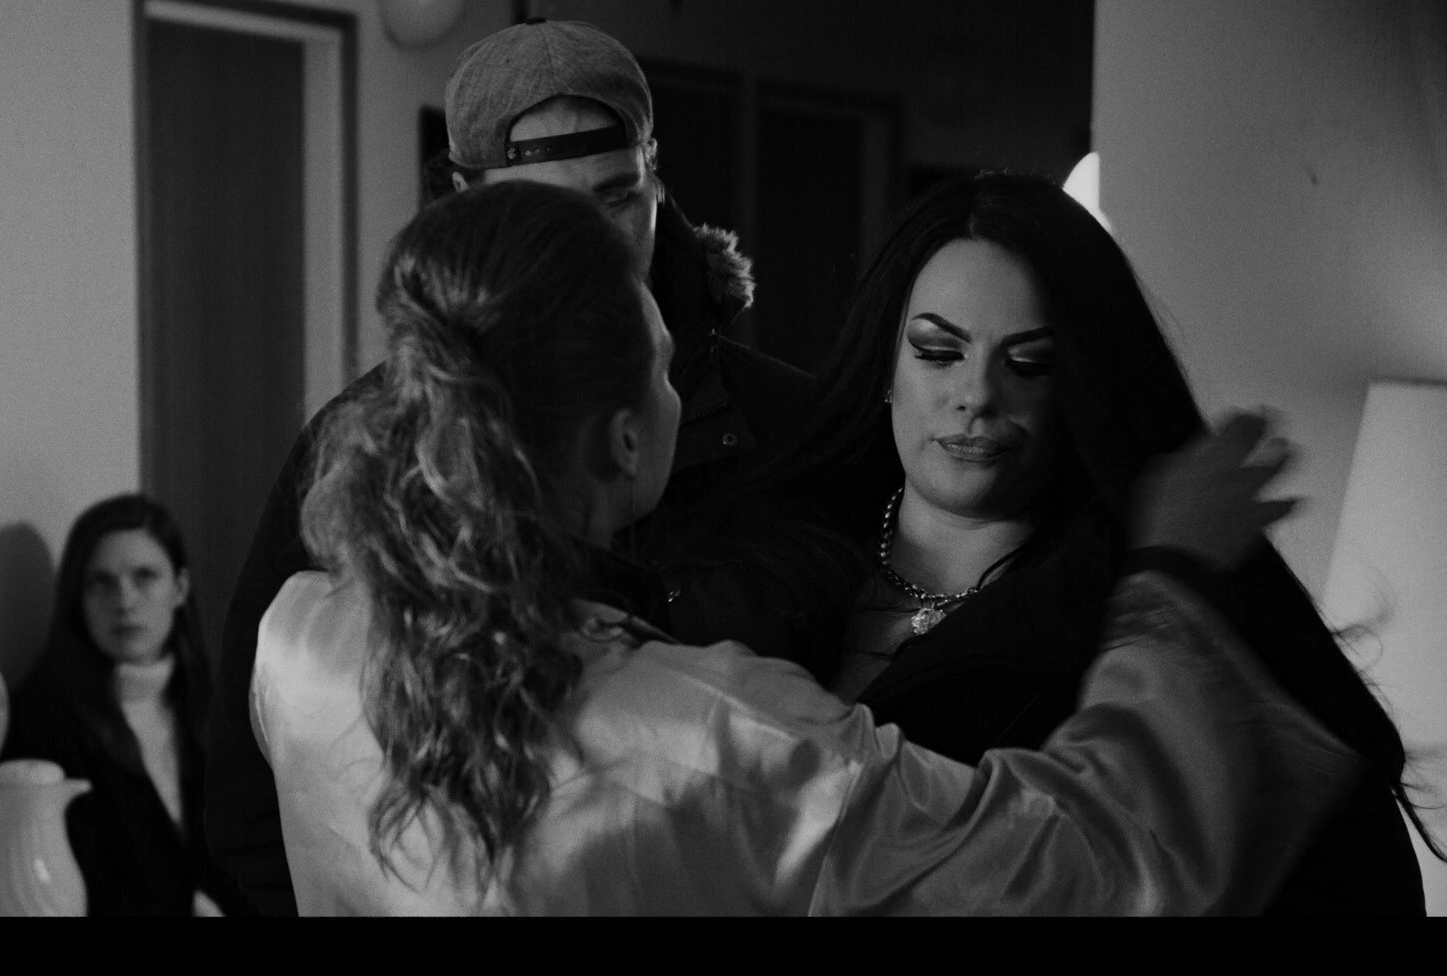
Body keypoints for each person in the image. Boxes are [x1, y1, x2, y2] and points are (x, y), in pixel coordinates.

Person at [250, 180, 1355, 915]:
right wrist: (1171, 586)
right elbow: (1092, 868)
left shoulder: (295, 638)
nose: (976, 397)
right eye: (667, 365)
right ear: (627, 437)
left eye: (1029, 362)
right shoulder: (717, 739)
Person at [208, 19, 848, 914]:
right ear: (464, 202)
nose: (594, 246)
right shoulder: (361, 447)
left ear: (656, 176)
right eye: (544, 213)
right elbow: (252, 803)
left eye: (617, 197)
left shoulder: (791, 421)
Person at [791, 170, 1436, 914]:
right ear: (885, 366)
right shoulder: (765, 566)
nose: (977, 395)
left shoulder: (1141, 616)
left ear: (1082, 386)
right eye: (938, 352)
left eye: (1029, 363)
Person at [2, 493, 245, 916]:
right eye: (101, 582)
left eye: (144, 576)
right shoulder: (40, 718)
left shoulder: (223, 707)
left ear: (180, 588)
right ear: (77, 599)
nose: (124, 601)